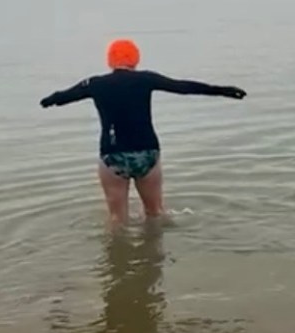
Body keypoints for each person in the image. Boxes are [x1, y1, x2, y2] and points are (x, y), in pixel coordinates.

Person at [40, 38, 246, 227]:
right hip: (147, 153)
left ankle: (118, 263)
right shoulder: (146, 79)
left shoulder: (95, 84)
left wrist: (48, 101)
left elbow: (65, 96)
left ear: (110, 61)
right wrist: (222, 90)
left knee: (116, 219)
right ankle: (155, 259)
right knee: (155, 212)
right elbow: (183, 86)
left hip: (113, 155)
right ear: (135, 60)